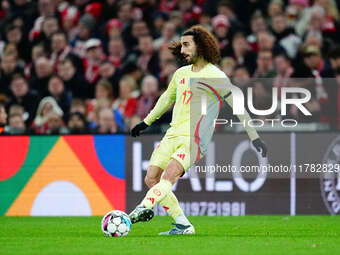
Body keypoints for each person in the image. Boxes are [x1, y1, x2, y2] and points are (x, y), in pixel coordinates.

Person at [129, 25, 267, 235]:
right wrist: (146, 122)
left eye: (186, 45)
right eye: (181, 45)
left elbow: (238, 107)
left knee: (170, 175)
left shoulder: (216, 76)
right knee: (151, 179)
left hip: (195, 138)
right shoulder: (181, 73)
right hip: (173, 133)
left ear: (200, 46)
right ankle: (183, 225)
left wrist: (254, 137)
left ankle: (142, 209)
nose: (182, 50)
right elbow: (167, 98)